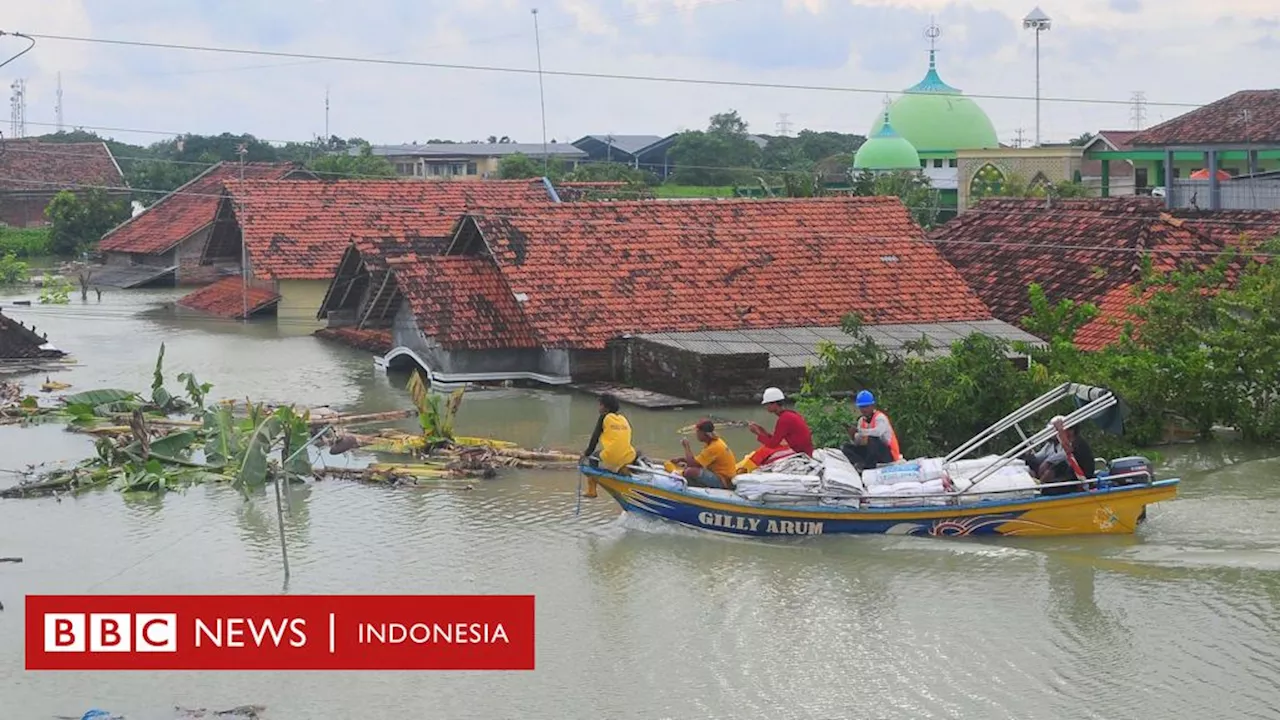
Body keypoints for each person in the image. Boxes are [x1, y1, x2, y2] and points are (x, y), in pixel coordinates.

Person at [742, 387, 814, 472]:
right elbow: (775, 439)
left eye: (767, 404)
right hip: (804, 451)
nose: (766, 407)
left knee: (765, 459)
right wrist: (761, 430)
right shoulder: (790, 414)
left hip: (802, 454)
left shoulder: (784, 419)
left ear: (775, 404)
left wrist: (757, 433)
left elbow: (772, 444)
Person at [580, 393, 637, 498]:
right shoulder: (623, 419)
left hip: (611, 454)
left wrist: (586, 453)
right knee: (622, 456)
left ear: (606, 407)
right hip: (629, 455)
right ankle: (622, 471)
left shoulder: (604, 417)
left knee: (593, 458)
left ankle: (591, 490)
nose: (599, 407)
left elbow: (594, 439)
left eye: (600, 405)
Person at [841, 390, 902, 471]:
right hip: (871, 454)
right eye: (861, 407)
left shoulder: (880, 418)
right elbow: (859, 443)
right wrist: (853, 435)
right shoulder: (861, 421)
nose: (863, 410)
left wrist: (860, 431)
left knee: (872, 439)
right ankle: (859, 464)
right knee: (846, 447)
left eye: (866, 406)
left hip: (888, 454)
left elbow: (878, 433)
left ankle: (869, 467)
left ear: (872, 406)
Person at [666, 419, 737, 489]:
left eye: (698, 432)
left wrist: (686, 447)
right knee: (688, 469)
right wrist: (681, 459)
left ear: (704, 433)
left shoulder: (714, 447)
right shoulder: (713, 442)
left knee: (690, 471)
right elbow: (698, 462)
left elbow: (692, 464)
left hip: (723, 480)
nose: (696, 434)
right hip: (720, 475)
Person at [1035, 422, 1096, 496]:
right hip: (1072, 475)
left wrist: (1060, 430)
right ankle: (1039, 485)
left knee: (1048, 490)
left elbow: (1068, 449)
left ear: (1071, 431)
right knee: (1056, 470)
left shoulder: (1078, 442)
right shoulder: (1072, 442)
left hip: (1082, 479)